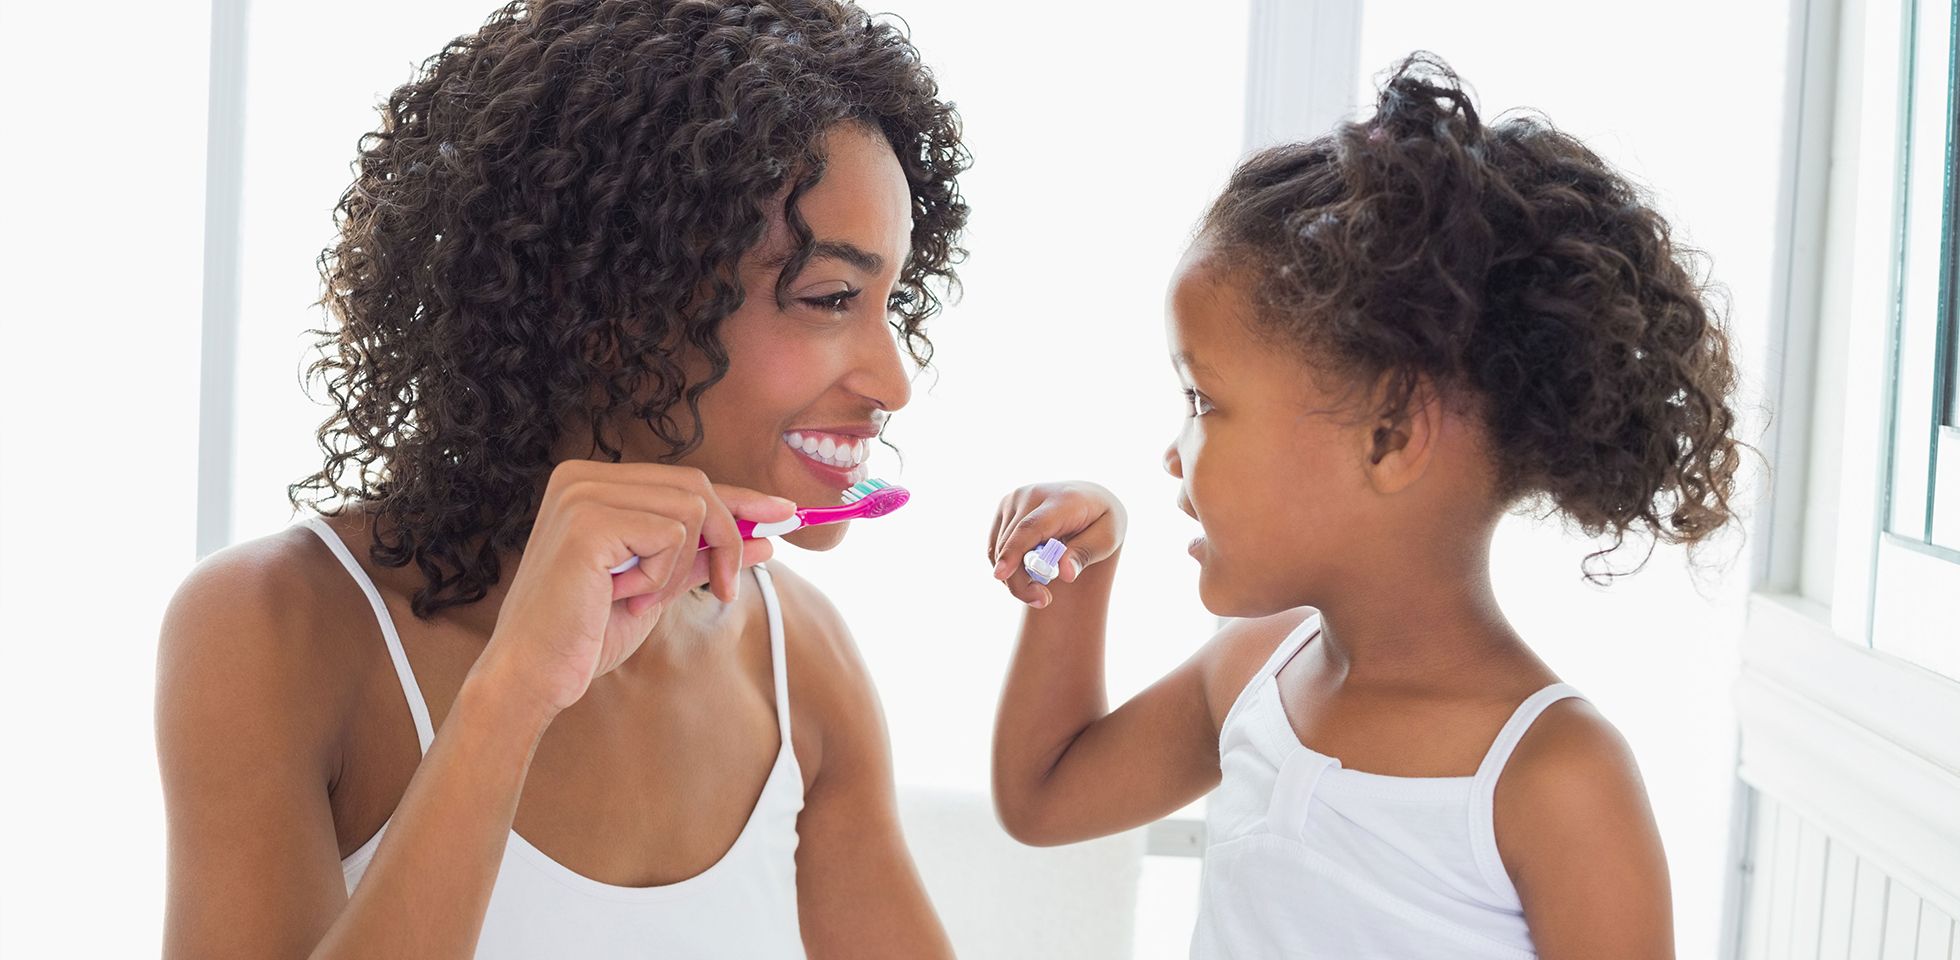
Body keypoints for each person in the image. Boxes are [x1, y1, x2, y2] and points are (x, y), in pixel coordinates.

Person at [156, 2, 967, 956]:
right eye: (831, 298)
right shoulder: (276, 626)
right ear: (615, 308)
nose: (895, 382)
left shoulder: (803, 663)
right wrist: (515, 691)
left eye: (892, 299)